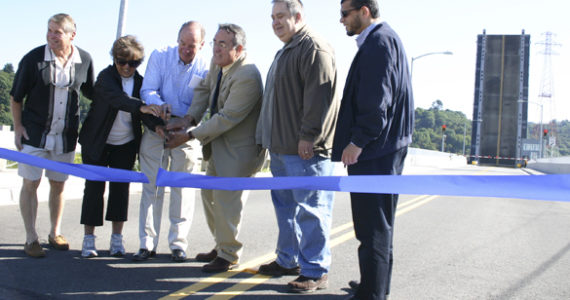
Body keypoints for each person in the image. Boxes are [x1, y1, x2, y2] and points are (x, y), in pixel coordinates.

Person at [165, 23, 266, 273]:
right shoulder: (217, 64)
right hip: (218, 147)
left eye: (223, 44)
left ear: (238, 48)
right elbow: (203, 91)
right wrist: (188, 118)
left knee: (227, 202)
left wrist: (188, 136)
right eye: (214, 42)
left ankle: (229, 255)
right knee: (209, 196)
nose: (216, 49)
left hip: (240, 152)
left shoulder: (248, 75)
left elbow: (227, 117)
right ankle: (221, 245)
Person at [256, 0, 339, 293]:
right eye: (272, 17)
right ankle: (288, 259)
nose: (275, 22)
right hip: (281, 149)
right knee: (287, 211)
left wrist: (309, 136)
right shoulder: (286, 49)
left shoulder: (313, 48)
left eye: (281, 16)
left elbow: (320, 98)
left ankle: (315, 270)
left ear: (298, 16)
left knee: (311, 211)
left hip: (306, 150)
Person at [333, 0, 414, 299]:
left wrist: (357, 143)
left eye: (345, 13)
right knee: (377, 227)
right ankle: (373, 286)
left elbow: (376, 102)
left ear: (364, 11)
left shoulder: (378, 42)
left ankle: (373, 294)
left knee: (372, 229)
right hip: (384, 149)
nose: (341, 20)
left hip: (375, 152)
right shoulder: (385, 39)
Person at [10, 13, 95, 258]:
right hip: (35, 134)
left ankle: (54, 232)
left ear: (72, 35)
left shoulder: (85, 60)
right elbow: (16, 97)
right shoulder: (33, 59)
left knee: (58, 184)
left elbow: (93, 94)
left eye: (57, 32)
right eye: (49, 31)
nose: (51, 36)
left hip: (65, 137)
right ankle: (30, 237)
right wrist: (17, 127)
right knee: (30, 183)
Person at [78, 35, 163, 258]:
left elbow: (148, 115)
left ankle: (117, 240)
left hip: (125, 144)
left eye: (133, 63)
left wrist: (159, 127)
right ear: (114, 59)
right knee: (94, 189)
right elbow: (118, 100)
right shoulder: (105, 78)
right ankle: (89, 239)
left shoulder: (142, 83)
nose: (127, 67)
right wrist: (143, 106)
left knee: (120, 189)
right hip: (97, 141)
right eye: (122, 61)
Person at [134, 21, 209, 262]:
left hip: (187, 129)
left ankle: (178, 244)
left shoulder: (207, 68)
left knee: (182, 188)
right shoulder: (160, 56)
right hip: (157, 123)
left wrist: (186, 123)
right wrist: (159, 106)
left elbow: (202, 104)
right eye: (183, 44)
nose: (186, 50)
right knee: (150, 185)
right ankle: (147, 243)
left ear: (202, 45)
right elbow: (148, 90)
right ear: (177, 41)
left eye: (192, 46)